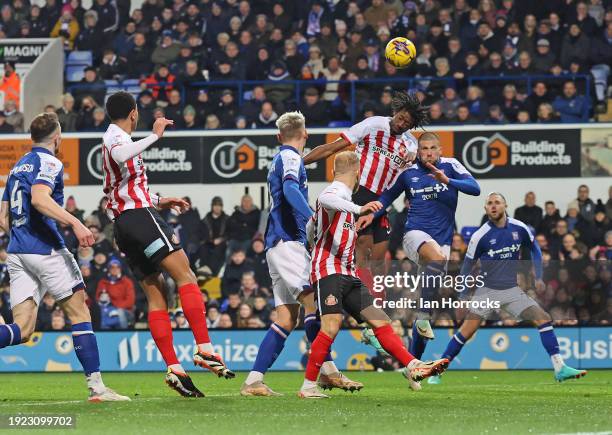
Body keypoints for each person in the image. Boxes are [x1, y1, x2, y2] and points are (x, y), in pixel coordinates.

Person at [102, 92, 234, 398]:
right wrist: (156, 134)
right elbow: (122, 156)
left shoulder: (114, 137)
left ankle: (175, 368)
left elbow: (124, 187)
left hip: (126, 224)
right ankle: (205, 349)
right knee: (186, 275)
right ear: (133, 113)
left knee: (157, 294)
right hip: (138, 218)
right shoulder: (116, 137)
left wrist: (161, 200)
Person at [0, 112, 128, 402]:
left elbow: (3, 216)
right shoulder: (49, 161)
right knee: (80, 313)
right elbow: (39, 198)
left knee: (22, 330)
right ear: (57, 138)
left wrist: (22, 235)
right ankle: (97, 388)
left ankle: (98, 387)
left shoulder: (17, 166)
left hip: (18, 252)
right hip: (45, 250)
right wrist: (77, 223)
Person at [300, 151, 448, 398]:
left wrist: (315, 240)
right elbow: (325, 199)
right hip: (329, 270)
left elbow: (310, 227)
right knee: (332, 325)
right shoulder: (335, 192)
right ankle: (308, 386)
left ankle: (414, 366)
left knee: (380, 321)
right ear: (357, 172)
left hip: (347, 272)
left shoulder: (344, 200)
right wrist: (359, 208)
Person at [241, 112, 359, 397]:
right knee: (314, 303)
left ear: (278, 136)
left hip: (276, 245)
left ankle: (253, 381)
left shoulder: (281, 158)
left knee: (285, 318)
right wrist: (313, 218)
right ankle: (328, 372)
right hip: (288, 243)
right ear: (304, 135)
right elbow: (291, 188)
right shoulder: (291, 158)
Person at [357, 132, 480, 390]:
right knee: (427, 303)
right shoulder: (408, 173)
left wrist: (447, 180)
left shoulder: (452, 165)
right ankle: (422, 316)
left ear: (440, 149)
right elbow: (386, 198)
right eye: (424, 148)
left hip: (442, 241)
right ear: (420, 151)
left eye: (433, 148)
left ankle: (412, 365)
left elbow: (475, 189)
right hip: (415, 235)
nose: (428, 153)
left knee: (426, 317)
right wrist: (369, 213)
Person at [430, 192, 587, 384]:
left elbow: (535, 248)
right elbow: (466, 267)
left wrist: (538, 275)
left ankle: (560, 368)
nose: (493, 206)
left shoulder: (519, 228)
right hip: (487, 291)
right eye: (489, 203)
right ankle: (437, 371)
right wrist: (463, 294)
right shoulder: (480, 236)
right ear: (485, 209)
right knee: (466, 331)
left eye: (497, 202)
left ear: (505, 205)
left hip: (512, 290)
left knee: (543, 318)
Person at [303, 91, 428, 300]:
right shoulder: (373, 124)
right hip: (360, 193)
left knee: (379, 259)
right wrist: (299, 162)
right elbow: (333, 147)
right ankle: (361, 304)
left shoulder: (411, 145)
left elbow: (412, 173)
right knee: (364, 248)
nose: (402, 123)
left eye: (407, 123)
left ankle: (376, 305)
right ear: (396, 112)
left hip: (381, 202)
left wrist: (415, 160)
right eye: (401, 118)